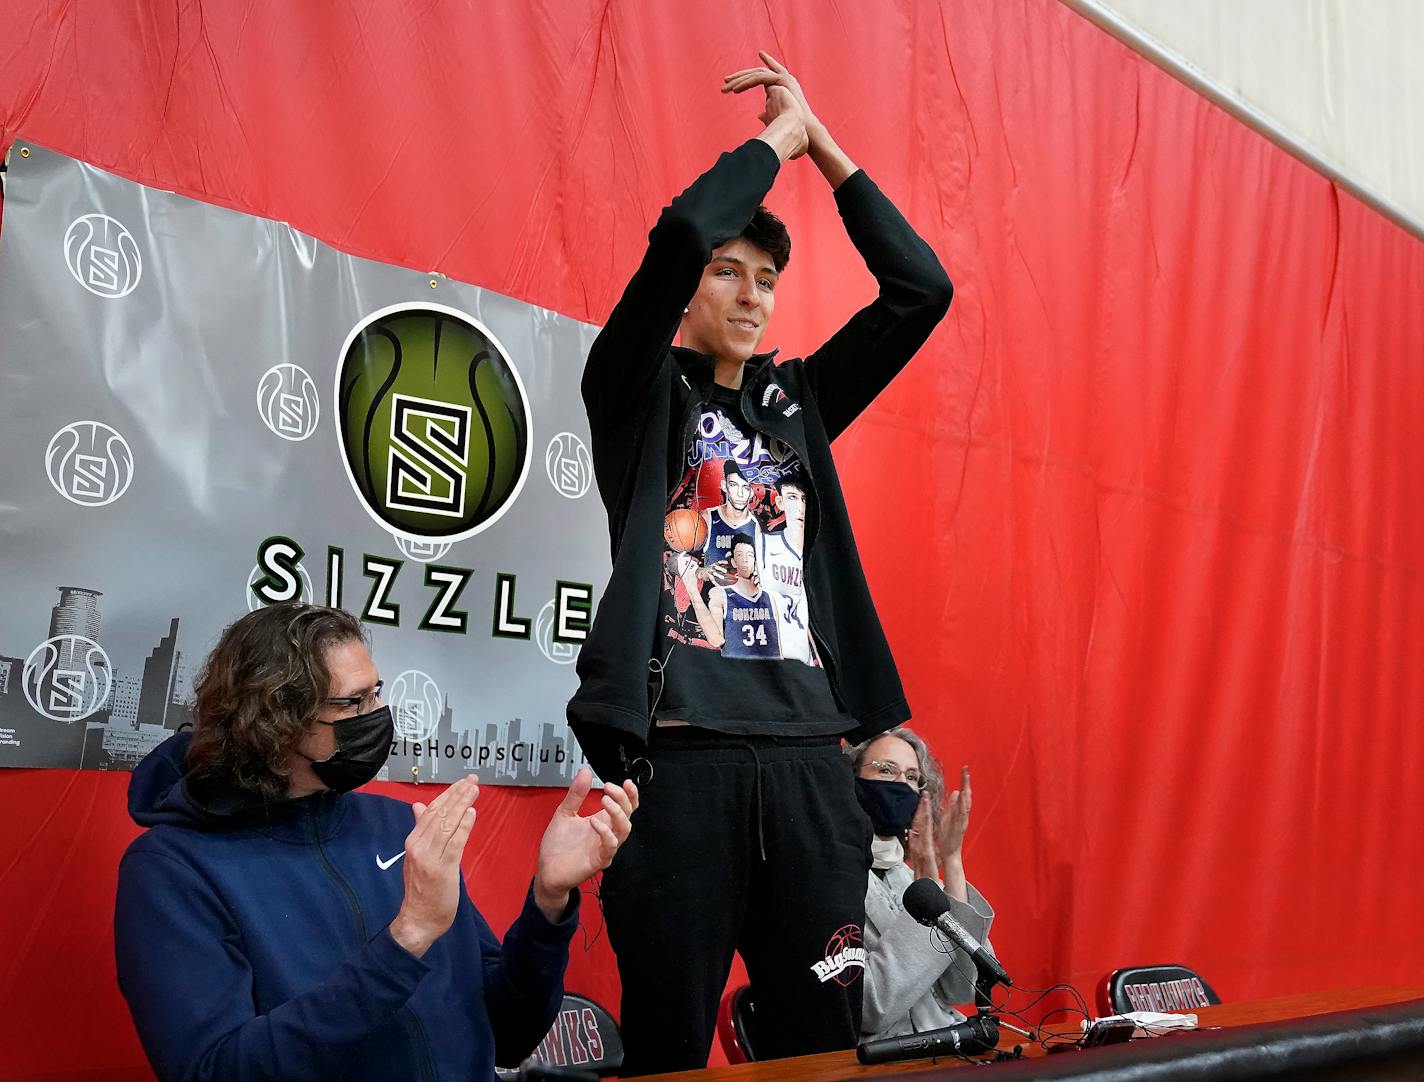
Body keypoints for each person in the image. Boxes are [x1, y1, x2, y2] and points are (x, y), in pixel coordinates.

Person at [568, 49, 953, 1074]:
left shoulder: (799, 409)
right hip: (682, 764)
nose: (748, 294)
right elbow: (686, 227)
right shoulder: (634, 391)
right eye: (727, 274)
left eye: (767, 279)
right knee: (665, 1045)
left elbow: (921, 288)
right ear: (686, 291)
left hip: (808, 768)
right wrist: (774, 142)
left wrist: (827, 149)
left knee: (824, 1035)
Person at [114, 603, 639, 1082]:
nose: (379, 713)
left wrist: (548, 902)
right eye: (355, 701)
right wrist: (405, 940)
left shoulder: (397, 826)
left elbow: (508, 1032)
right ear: (276, 721)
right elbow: (215, 1072)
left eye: (377, 692)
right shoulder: (172, 871)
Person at [849, 727, 997, 1040]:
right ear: (850, 777)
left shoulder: (910, 877)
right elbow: (871, 1007)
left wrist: (952, 859)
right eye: (886, 770)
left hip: (948, 1046)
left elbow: (964, 987)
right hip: (879, 1061)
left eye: (913, 777)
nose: (902, 784)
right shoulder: (829, 879)